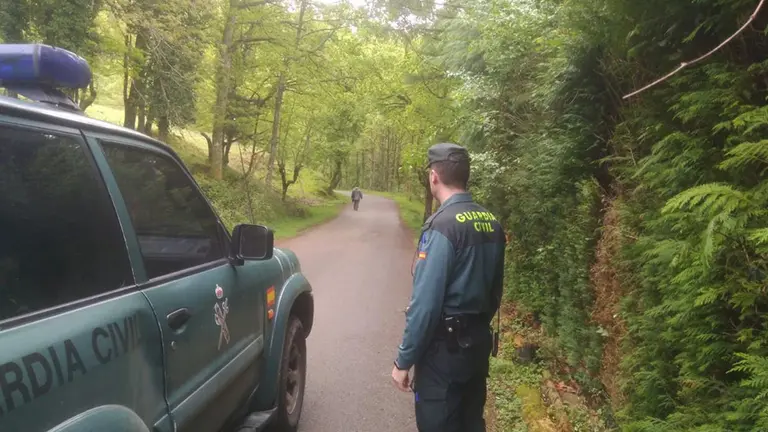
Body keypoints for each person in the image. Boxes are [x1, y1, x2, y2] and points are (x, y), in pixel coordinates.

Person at [391, 142, 506, 432]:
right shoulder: (492, 223)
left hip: (444, 354)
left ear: (434, 176)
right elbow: (495, 292)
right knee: (470, 423)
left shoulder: (442, 226)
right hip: (477, 347)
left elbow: (425, 306)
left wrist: (404, 360)